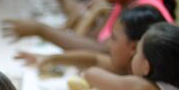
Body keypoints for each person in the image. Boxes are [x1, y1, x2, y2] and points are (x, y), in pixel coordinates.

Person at [16, 6, 166, 76]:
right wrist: (48, 59)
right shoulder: (126, 68)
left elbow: (93, 68)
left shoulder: (140, 83)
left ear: (133, 48)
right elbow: (94, 59)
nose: (107, 45)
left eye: (113, 38)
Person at [2, 0, 176, 53]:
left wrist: (40, 30)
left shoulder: (145, 11)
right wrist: (93, 14)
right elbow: (90, 40)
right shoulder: (121, 3)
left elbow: (102, 51)